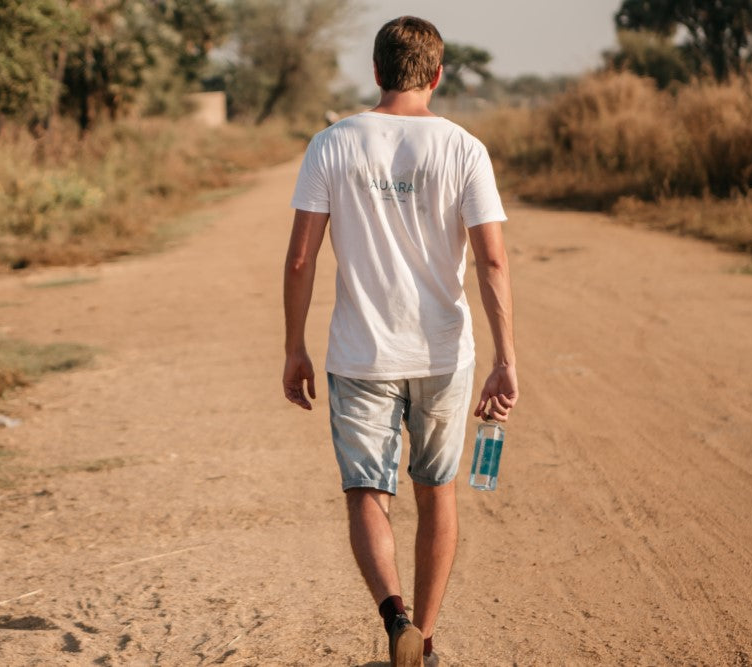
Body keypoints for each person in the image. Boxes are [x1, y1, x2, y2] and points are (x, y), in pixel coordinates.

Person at [282, 15, 517, 667]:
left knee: (366, 492)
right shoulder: (464, 148)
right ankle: (429, 642)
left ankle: (394, 620)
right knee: (436, 490)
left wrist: (293, 346)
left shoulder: (333, 143)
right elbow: (492, 261)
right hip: (444, 353)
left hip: (360, 356)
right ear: (437, 77)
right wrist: (506, 359)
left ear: (378, 72)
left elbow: (301, 259)